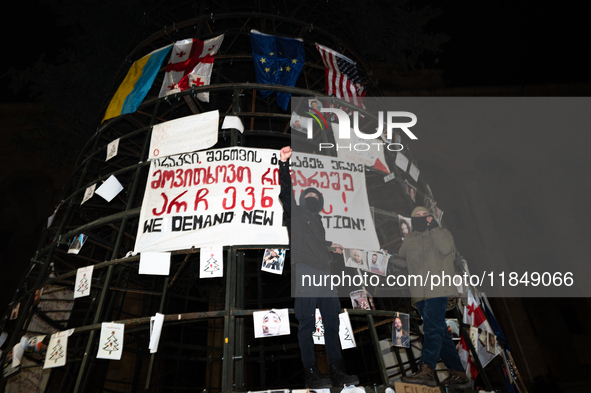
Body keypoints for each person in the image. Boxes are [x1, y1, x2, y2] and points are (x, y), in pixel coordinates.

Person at [278, 146, 359, 388]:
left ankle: (335, 370)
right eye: (309, 197)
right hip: (305, 271)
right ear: (303, 201)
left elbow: (315, 241)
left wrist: (329, 246)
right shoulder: (296, 214)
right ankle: (311, 371)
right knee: (306, 322)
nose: (312, 199)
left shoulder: (318, 222)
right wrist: (284, 164)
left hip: (325, 275)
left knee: (332, 322)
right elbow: (286, 192)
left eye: (316, 197)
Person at [394, 206, 469, 389]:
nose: (420, 218)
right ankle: (458, 373)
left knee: (432, 328)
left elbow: (445, 249)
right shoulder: (409, 239)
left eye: (423, 215)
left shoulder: (442, 233)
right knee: (439, 332)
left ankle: (426, 369)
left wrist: (434, 228)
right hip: (419, 294)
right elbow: (401, 260)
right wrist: (382, 259)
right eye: (416, 216)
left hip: (438, 288)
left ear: (430, 217)